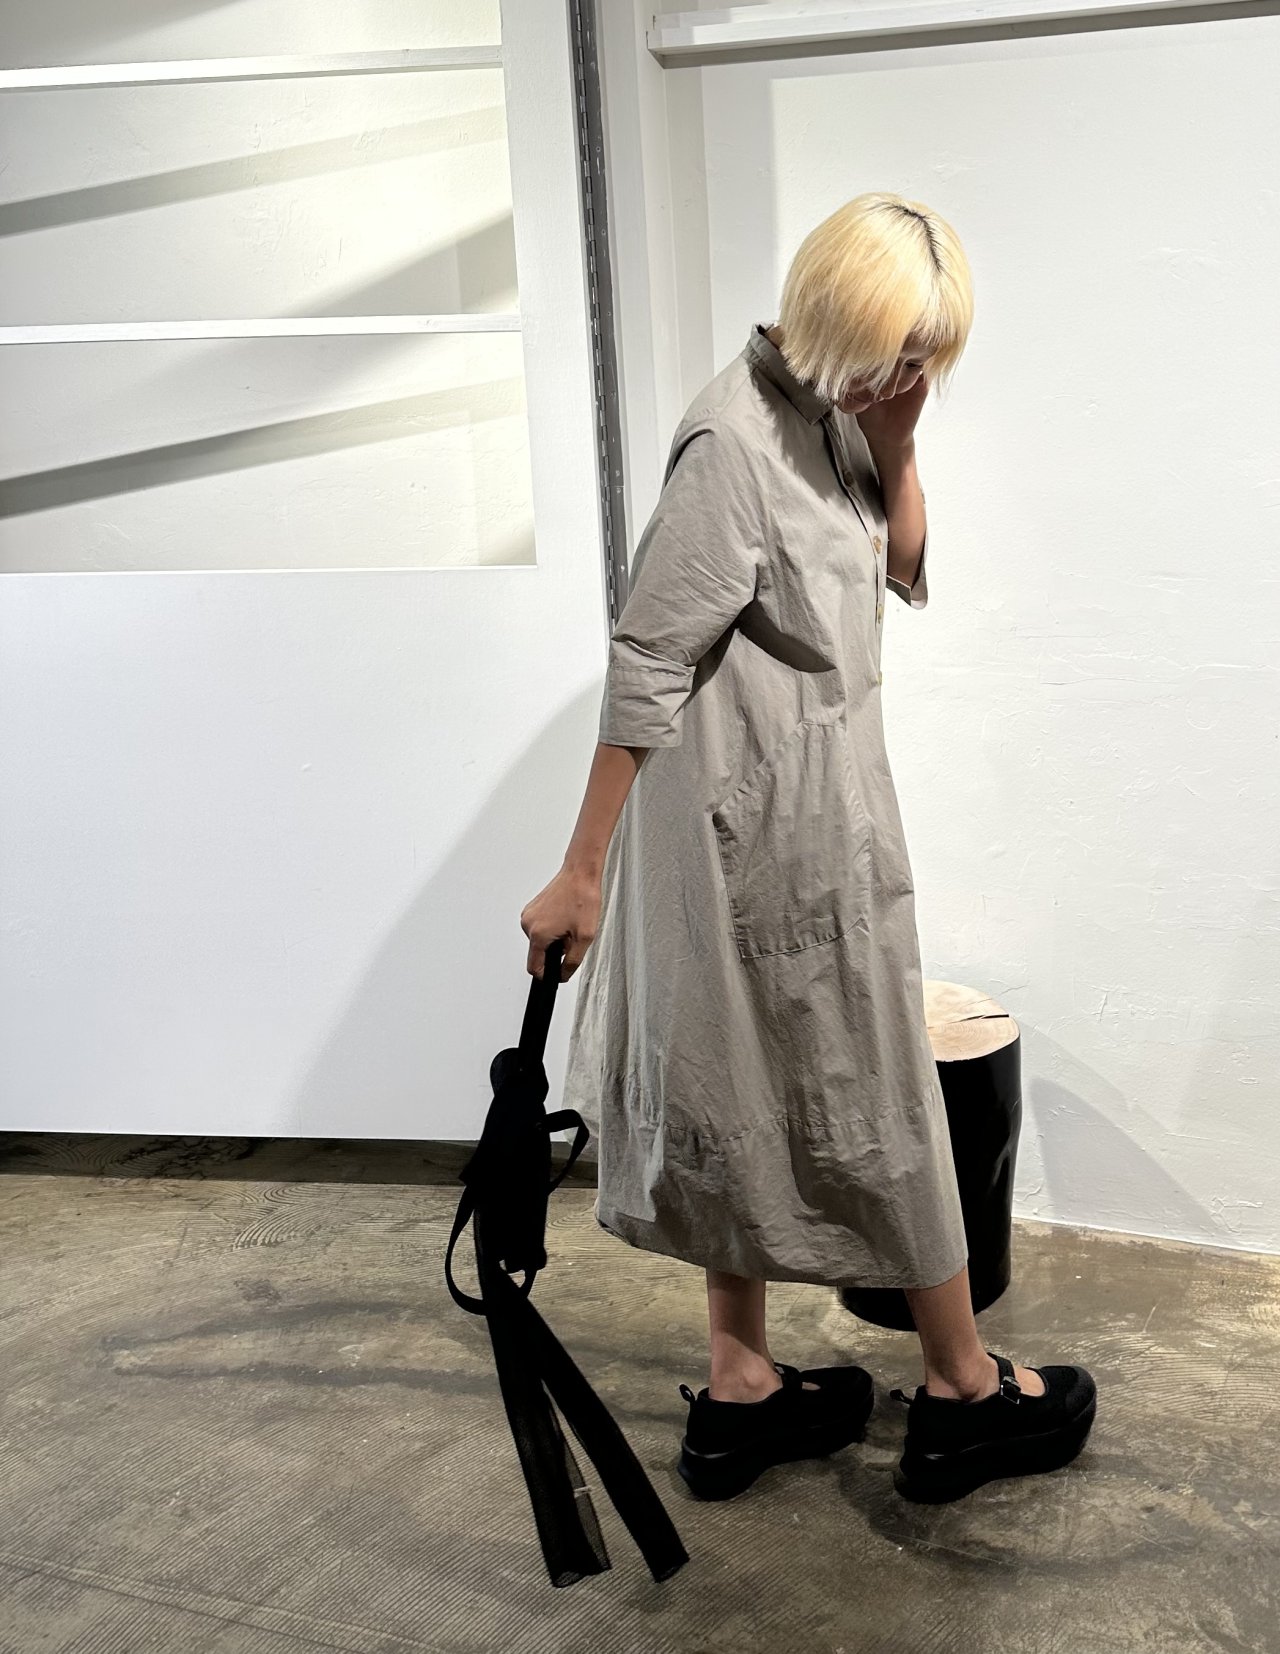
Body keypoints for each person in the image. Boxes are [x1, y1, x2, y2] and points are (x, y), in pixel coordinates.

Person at [520, 192, 1096, 1505]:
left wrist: (897, 443)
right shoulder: (733, 441)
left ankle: (741, 1388)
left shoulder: (838, 417)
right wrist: (583, 868)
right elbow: (648, 658)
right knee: (875, 1090)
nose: (910, 378)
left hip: (815, 808)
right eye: (899, 354)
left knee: (763, 1081)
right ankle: (962, 1391)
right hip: (761, 830)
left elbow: (903, 567)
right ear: (835, 312)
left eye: (927, 359)